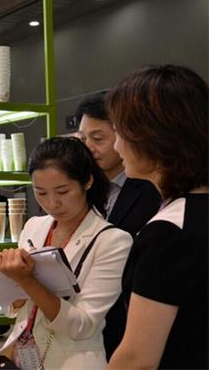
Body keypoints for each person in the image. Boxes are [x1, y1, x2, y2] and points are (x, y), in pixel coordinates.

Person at [0, 137, 132, 369]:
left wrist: (26, 280)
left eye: (63, 191)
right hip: (21, 357)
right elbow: (17, 309)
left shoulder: (112, 241)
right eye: (41, 193)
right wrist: (12, 281)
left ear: (87, 181)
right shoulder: (34, 226)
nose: (52, 203)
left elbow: (82, 325)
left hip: (72, 361)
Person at [107, 65, 208, 370]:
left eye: (119, 132)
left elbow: (138, 358)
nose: (116, 146)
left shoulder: (169, 231)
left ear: (152, 137)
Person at [74, 92, 160, 357]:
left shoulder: (151, 190)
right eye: (83, 139)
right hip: (80, 323)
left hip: (129, 322)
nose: (88, 147)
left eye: (98, 138)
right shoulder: (79, 187)